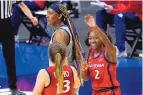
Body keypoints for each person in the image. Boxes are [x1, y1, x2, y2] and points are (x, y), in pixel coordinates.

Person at [0, 1, 38, 95]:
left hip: (6, 23)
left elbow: (22, 5)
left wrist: (31, 17)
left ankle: (13, 87)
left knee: (10, 56)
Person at [81, 14, 121, 95]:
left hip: (110, 92)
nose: (93, 41)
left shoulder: (109, 51)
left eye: (96, 37)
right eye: (90, 38)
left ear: (102, 38)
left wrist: (95, 27)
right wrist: (83, 71)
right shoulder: (89, 53)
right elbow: (85, 78)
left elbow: (106, 41)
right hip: (95, 92)